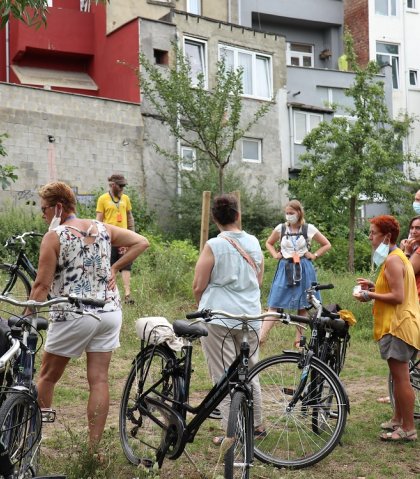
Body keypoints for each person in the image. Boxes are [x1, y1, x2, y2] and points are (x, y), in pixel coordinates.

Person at [30, 181, 149, 451]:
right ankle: (93, 450)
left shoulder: (55, 236)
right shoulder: (102, 228)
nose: (43, 215)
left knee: (47, 376)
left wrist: (27, 315)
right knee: (99, 380)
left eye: (45, 209)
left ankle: (34, 440)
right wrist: (115, 268)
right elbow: (141, 241)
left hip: (74, 313)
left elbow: (41, 286)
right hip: (108, 312)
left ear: (58, 207)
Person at [192, 194, 265, 444]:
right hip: (252, 316)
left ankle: (231, 432)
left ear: (215, 218)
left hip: (220, 318)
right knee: (251, 370)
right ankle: (256, 425)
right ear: (238, 215)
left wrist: (201, 301)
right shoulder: (254, 242)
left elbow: (198, 284)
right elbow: (259, 279)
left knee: (223, 375)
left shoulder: (214, 245)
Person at [354, 215, 420, 442]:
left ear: (387, 236)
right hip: (403, 324)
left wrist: (368, 294)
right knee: (398, 376)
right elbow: (392, 287)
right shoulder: (397, 257)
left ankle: (408, 428)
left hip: (399, 326)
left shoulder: (393, 260)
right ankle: (398, 419)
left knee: (401, 378)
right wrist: (375, 286)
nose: (370, 237)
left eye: (373, 233)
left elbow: (397, 296)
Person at [260, 200, 331, 346]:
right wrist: (275, 254)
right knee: (275, 302)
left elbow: (326, 244)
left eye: (291, 213)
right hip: (285, 267)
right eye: (287, 213)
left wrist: (314, 255)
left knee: (303, 304)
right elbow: (269, 243)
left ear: (299, 213)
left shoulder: (308, 228)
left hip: (303, 267)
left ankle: (298, 340)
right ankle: (261, 336)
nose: (288, 216)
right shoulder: (281, 228)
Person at [96, 174, 136, 304]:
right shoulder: (103, 199)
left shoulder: (126, 199)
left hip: (124, 237)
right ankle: (111, 293)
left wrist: (132, 235)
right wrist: (99, 238)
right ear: (113, 185)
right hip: (109, 238)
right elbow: (99, 220)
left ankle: (127, 295)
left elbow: (129, 217)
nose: (122, 188)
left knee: (126, 264)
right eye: (120, 186)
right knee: (110, 265)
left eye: (124, 185)